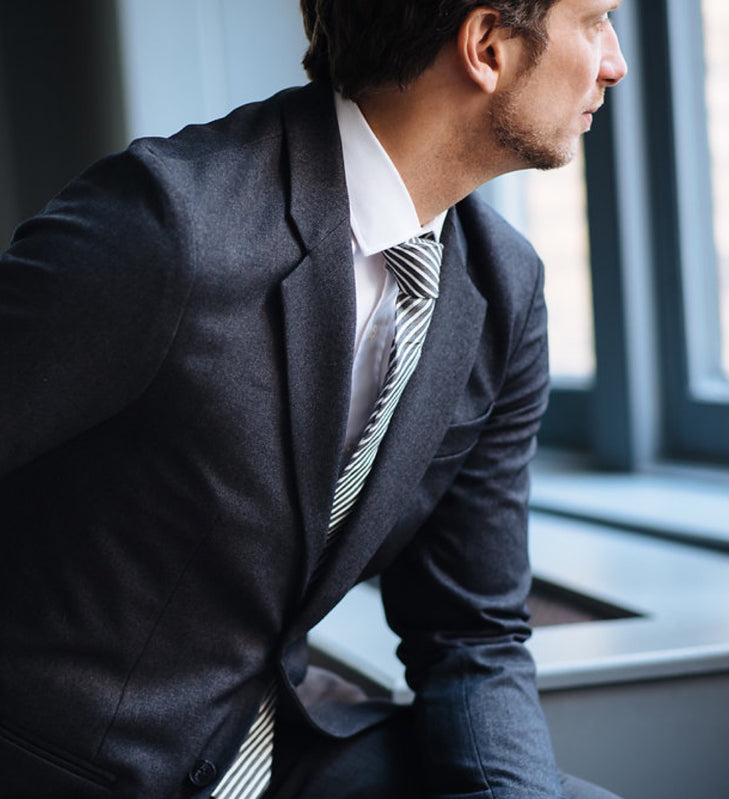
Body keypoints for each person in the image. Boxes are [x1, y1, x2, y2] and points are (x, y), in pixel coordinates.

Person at [0, 0, 627, 796]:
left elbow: (471, 631)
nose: (615, 61)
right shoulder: (168, 228)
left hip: (273, 744)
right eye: (596, 19)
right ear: (488, 45)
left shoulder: (504, 291)